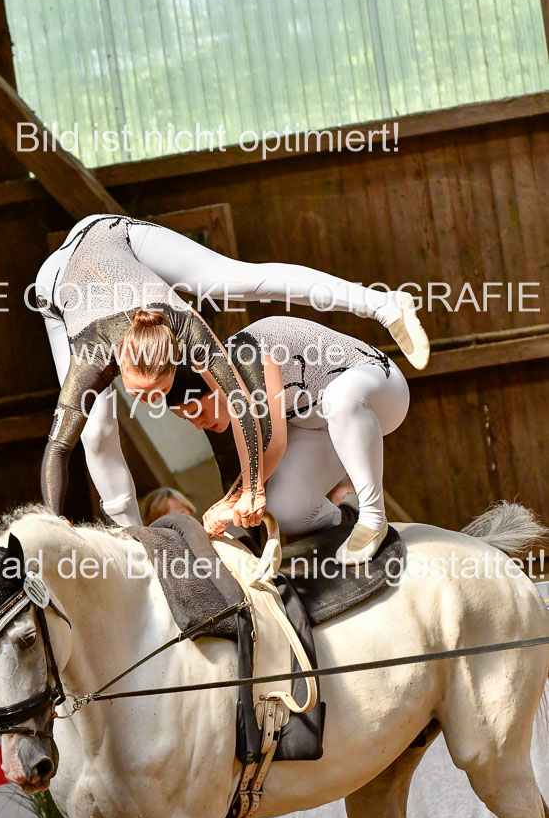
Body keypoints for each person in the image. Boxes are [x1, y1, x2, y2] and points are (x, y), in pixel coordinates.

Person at [35, 213, 427, 527]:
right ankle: (135, 541)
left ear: (174, 356)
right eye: (140, 394)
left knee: (236, 279)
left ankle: (382, 304)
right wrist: (53, 518)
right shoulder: (89, 357)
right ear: (118, 365)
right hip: (55, 288)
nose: (152, 403)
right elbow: (58, 448)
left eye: (159, 392)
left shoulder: (185, 325)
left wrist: (253, 490)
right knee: (96, 431)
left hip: (110, 235)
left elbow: (241, 402)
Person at [120, 313, 410, 564]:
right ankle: (346, 518)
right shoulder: (230, 402)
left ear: (217, 388)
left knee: (340, 396)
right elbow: (244, 471)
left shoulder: (253, 355)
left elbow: (274, 443)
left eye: (199, 411)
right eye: (188, 419)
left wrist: (233, 500)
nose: (199, 425)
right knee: (287, 510)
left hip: (378, 389)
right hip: (316, 424)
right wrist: (226, 506)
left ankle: (373, 518)